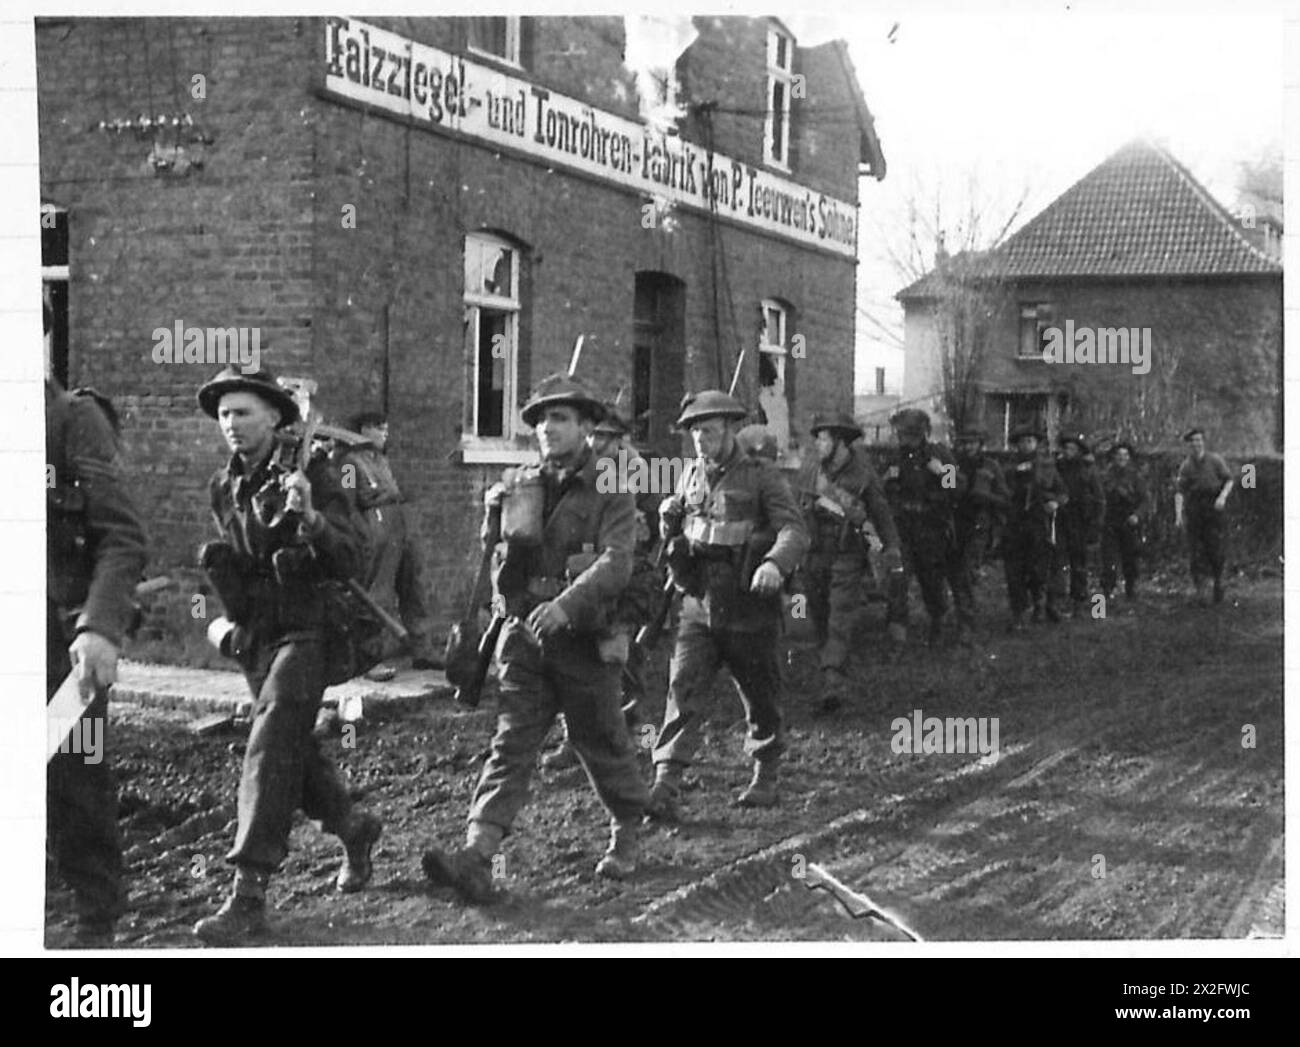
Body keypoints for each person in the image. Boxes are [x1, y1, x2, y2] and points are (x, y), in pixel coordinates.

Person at [421, 374, 649, 902]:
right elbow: (502, 561)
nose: (548, 428)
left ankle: (626, 831)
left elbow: (617, 562)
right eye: (542, 420)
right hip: (525, 637)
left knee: (600, 740)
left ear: (587, 428)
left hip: (584, 638)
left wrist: (567, 605)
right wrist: (492, 517)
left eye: (560, 418)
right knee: (511, 744)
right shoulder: (523, 485)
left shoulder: (612, 486)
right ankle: (477, 854)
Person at [192, 366, 382, 944]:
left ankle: (248, 893)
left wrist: (314, 518)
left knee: (271, 738)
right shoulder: (224, 484)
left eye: (243, 412)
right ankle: (351, 825)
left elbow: (354, 557)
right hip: (258, 632)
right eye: (224, 414)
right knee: (293, 747)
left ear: (274, 417)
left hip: (310, 627)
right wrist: (222, 620)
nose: (231, 424)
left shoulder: (315, 470)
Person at [646, 390, 809, 821]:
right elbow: (681, 531)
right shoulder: (689, 475)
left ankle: (766, 774)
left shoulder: (761, 476)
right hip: (699, 601)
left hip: (748, 603)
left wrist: (774, 563)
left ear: (729, 429)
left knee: (759, 692)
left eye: (709, 430)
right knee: (682, 687)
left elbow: (794, 529)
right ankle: (665, 782)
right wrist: (667, 522)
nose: (701, 439)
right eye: (695, 432)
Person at [46, 333, 149, 946]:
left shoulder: (74, 421)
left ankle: (95, 919)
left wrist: (100, 628)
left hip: (62, 636)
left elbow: (122, 536)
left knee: (75, 772)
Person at [541, 403, 662, 770]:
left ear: (620, 440)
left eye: (605, 439)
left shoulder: (636, 471)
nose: (597, 444)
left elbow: (652, 529)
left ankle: (641, 740)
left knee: (625, 665)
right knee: (574, 665)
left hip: (628, 581)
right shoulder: (584, 471)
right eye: (595, 436)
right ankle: (573, 740)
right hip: (587, 580)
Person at [797, 411, 901, 713]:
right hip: (815, 552)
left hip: (847, 552)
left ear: (840, 441)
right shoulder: (811, 470)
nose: (818, 444)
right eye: (817, 438)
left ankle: (833, 679)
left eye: (824, 439)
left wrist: (892, 548)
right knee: (818, 612)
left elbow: (881, 513)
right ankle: (831, 661)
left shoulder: (863, 475)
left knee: (840, 615)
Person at [343, 411, 439, 677]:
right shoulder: (350, 463)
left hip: (399, 523)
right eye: (377, 428)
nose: (384, 433)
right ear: (363, 430)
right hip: (376, 525)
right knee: (377, 592)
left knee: (413, 585)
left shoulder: (381, 460)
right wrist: (364, 532)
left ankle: (422, 649)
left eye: (385, 428)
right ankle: (368, 658)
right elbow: (348, 502)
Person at [880, 408, 967, 645]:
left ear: (920, 433)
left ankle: (938, 621)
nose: (902, 439)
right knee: (898, 578)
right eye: (900, 434)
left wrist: (942, 473)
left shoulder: (939, 454)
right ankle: (897, 630)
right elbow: (881, 489)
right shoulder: (895, 457)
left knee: (931, 579)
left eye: (907, 434)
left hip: (931, 528)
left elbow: (958, 488)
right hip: (903, 527)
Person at [1001, 423, 1068, 630]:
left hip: (1039, 524)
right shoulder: (1008, 466)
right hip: (1014, 524)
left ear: (1036, 444)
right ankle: (1018, 612)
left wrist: (1054, 502)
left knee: (1038, 568)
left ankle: (1040, 604)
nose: (1026, 445)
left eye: (1030, 441)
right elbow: (1001, 488)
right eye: (1022, 441)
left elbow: (1063, 493)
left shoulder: (1047, 467)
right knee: (1014, 571)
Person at [952, 428, 1009, 631]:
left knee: (966, 573)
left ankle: (967, 621)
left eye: (972, 442)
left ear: (980, 444)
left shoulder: (990, 466)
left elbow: (1004, 498)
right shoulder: (953, 464)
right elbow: (945, 491)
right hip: (955, 524)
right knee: (955, 573)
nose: (968, 447)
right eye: (964, 443)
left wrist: (986, 497)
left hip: (979, 525)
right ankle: (962, 614)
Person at [1174, 428, 1233, 605]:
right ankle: (1201, 590)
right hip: (1195, 510)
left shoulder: (1215, 460)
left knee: (1216, 548)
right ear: (1189, 445)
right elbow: (1180, 491)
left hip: (1213, 508)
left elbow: (1229, 480)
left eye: (1199, 440)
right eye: (1192, 441)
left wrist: (1222, 497)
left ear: (1203, 442)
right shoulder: (1186, 466)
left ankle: (1218, 583)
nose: (1196, 444)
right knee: (1195, 551)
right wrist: (1178, 515)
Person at [1054, 433, 1105, 618]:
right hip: (1060, 518)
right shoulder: (1057, 468)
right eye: (1066, 448)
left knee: (1079, 562)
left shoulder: (1088, 470)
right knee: (1057, 560)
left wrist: (1096, 523)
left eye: (1072, 449)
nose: (1068, 452)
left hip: (1081, 521)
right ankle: (1057, 600)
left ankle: (1079, 600)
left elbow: (1099, 498)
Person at [1099, 442, 1149, 603]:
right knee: (1109, 559)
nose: (1122, 458)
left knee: (1130, 558)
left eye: (1125, 455)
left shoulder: (1136, 477)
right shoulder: (1105, 476)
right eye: (1119, 455)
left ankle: (1131, 590)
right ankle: (1106, 592)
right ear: (1114, 457)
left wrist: (1137, 515)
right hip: (1110, 521)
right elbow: (1099, 497)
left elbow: (1145, 500)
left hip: (1129, 522)